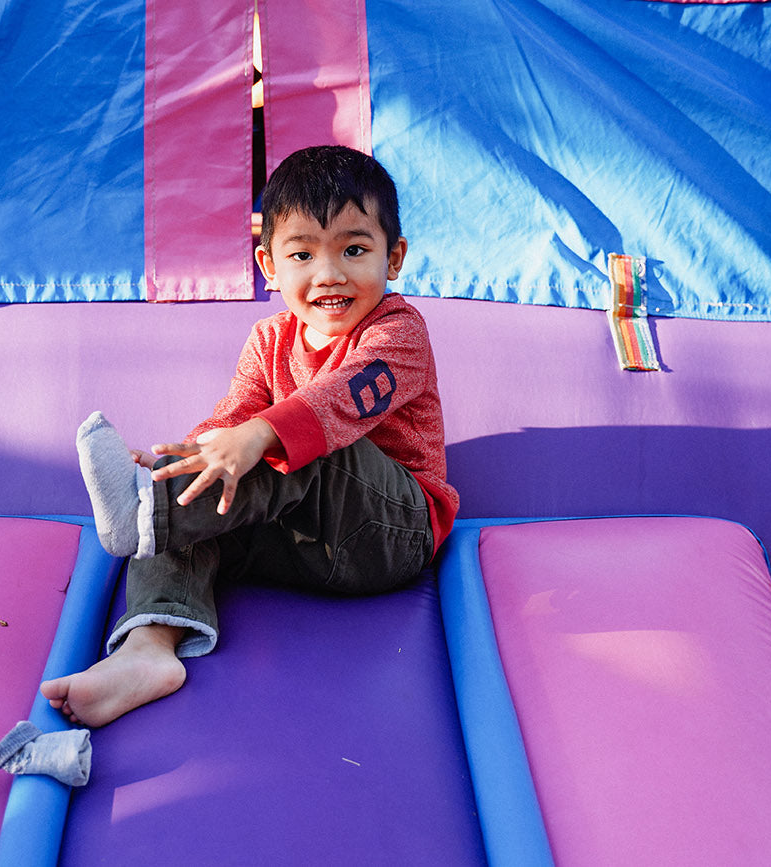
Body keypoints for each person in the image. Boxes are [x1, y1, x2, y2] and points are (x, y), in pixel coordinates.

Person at [40, 145, 459, 727]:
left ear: (394, 257)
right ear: (270, 266)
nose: (329, 274)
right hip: (298, 543)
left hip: (389, 537)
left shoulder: (397, 333)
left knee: (303, 439)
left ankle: (147, 514)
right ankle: (149, 651)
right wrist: (189, 460)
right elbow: (232, 414)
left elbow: (341, 401)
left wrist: (259, 434)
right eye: (303, 254)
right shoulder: (268, 340)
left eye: (355, 250)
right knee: (210, 485)